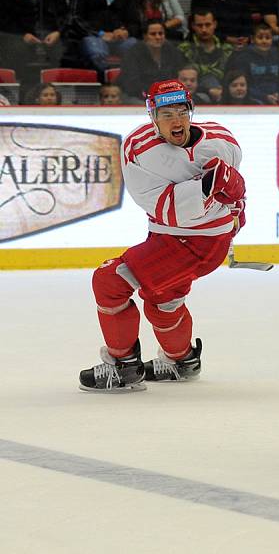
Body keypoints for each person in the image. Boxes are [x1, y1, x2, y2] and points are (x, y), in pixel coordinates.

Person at [79, 79, 247, 392]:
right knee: (163, 301)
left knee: (110, 281)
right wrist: (209, 187)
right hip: (167, 235)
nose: (176, 120)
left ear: (191, 111)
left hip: (202, 244)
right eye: (166, 113)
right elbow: (165, 208)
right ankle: (180, 361)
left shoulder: (221, 140)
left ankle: (122, 366)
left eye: (181, 111)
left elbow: (235, 189)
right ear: (152, 116)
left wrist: (237, 204)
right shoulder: (139, 150)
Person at [118, 20, 186, 100]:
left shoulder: (172, 51)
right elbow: (132, 83)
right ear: (145, 36)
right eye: (153, 34)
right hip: (139, 96)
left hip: (169, 96)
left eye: (161, 34)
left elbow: (179, 75)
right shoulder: (132, 54)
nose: (158, 37)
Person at [225, 23, 279, 104]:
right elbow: (242, 86)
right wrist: (264, 97)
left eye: (267, 38)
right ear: (252, 39)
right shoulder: (243, 58)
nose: (264, 41)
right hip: (254, 98)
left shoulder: (278, 56)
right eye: (260, 37)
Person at [177, 9, 233, 103]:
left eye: (208, 25)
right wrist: (208, 90)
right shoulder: (183, 50)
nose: (204, 29)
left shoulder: (227, 50)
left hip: (225, 95)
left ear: (215, 24)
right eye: (199, 25)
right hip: (195, 96)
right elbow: (182, 81)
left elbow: (233, 77)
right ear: (193, 26)